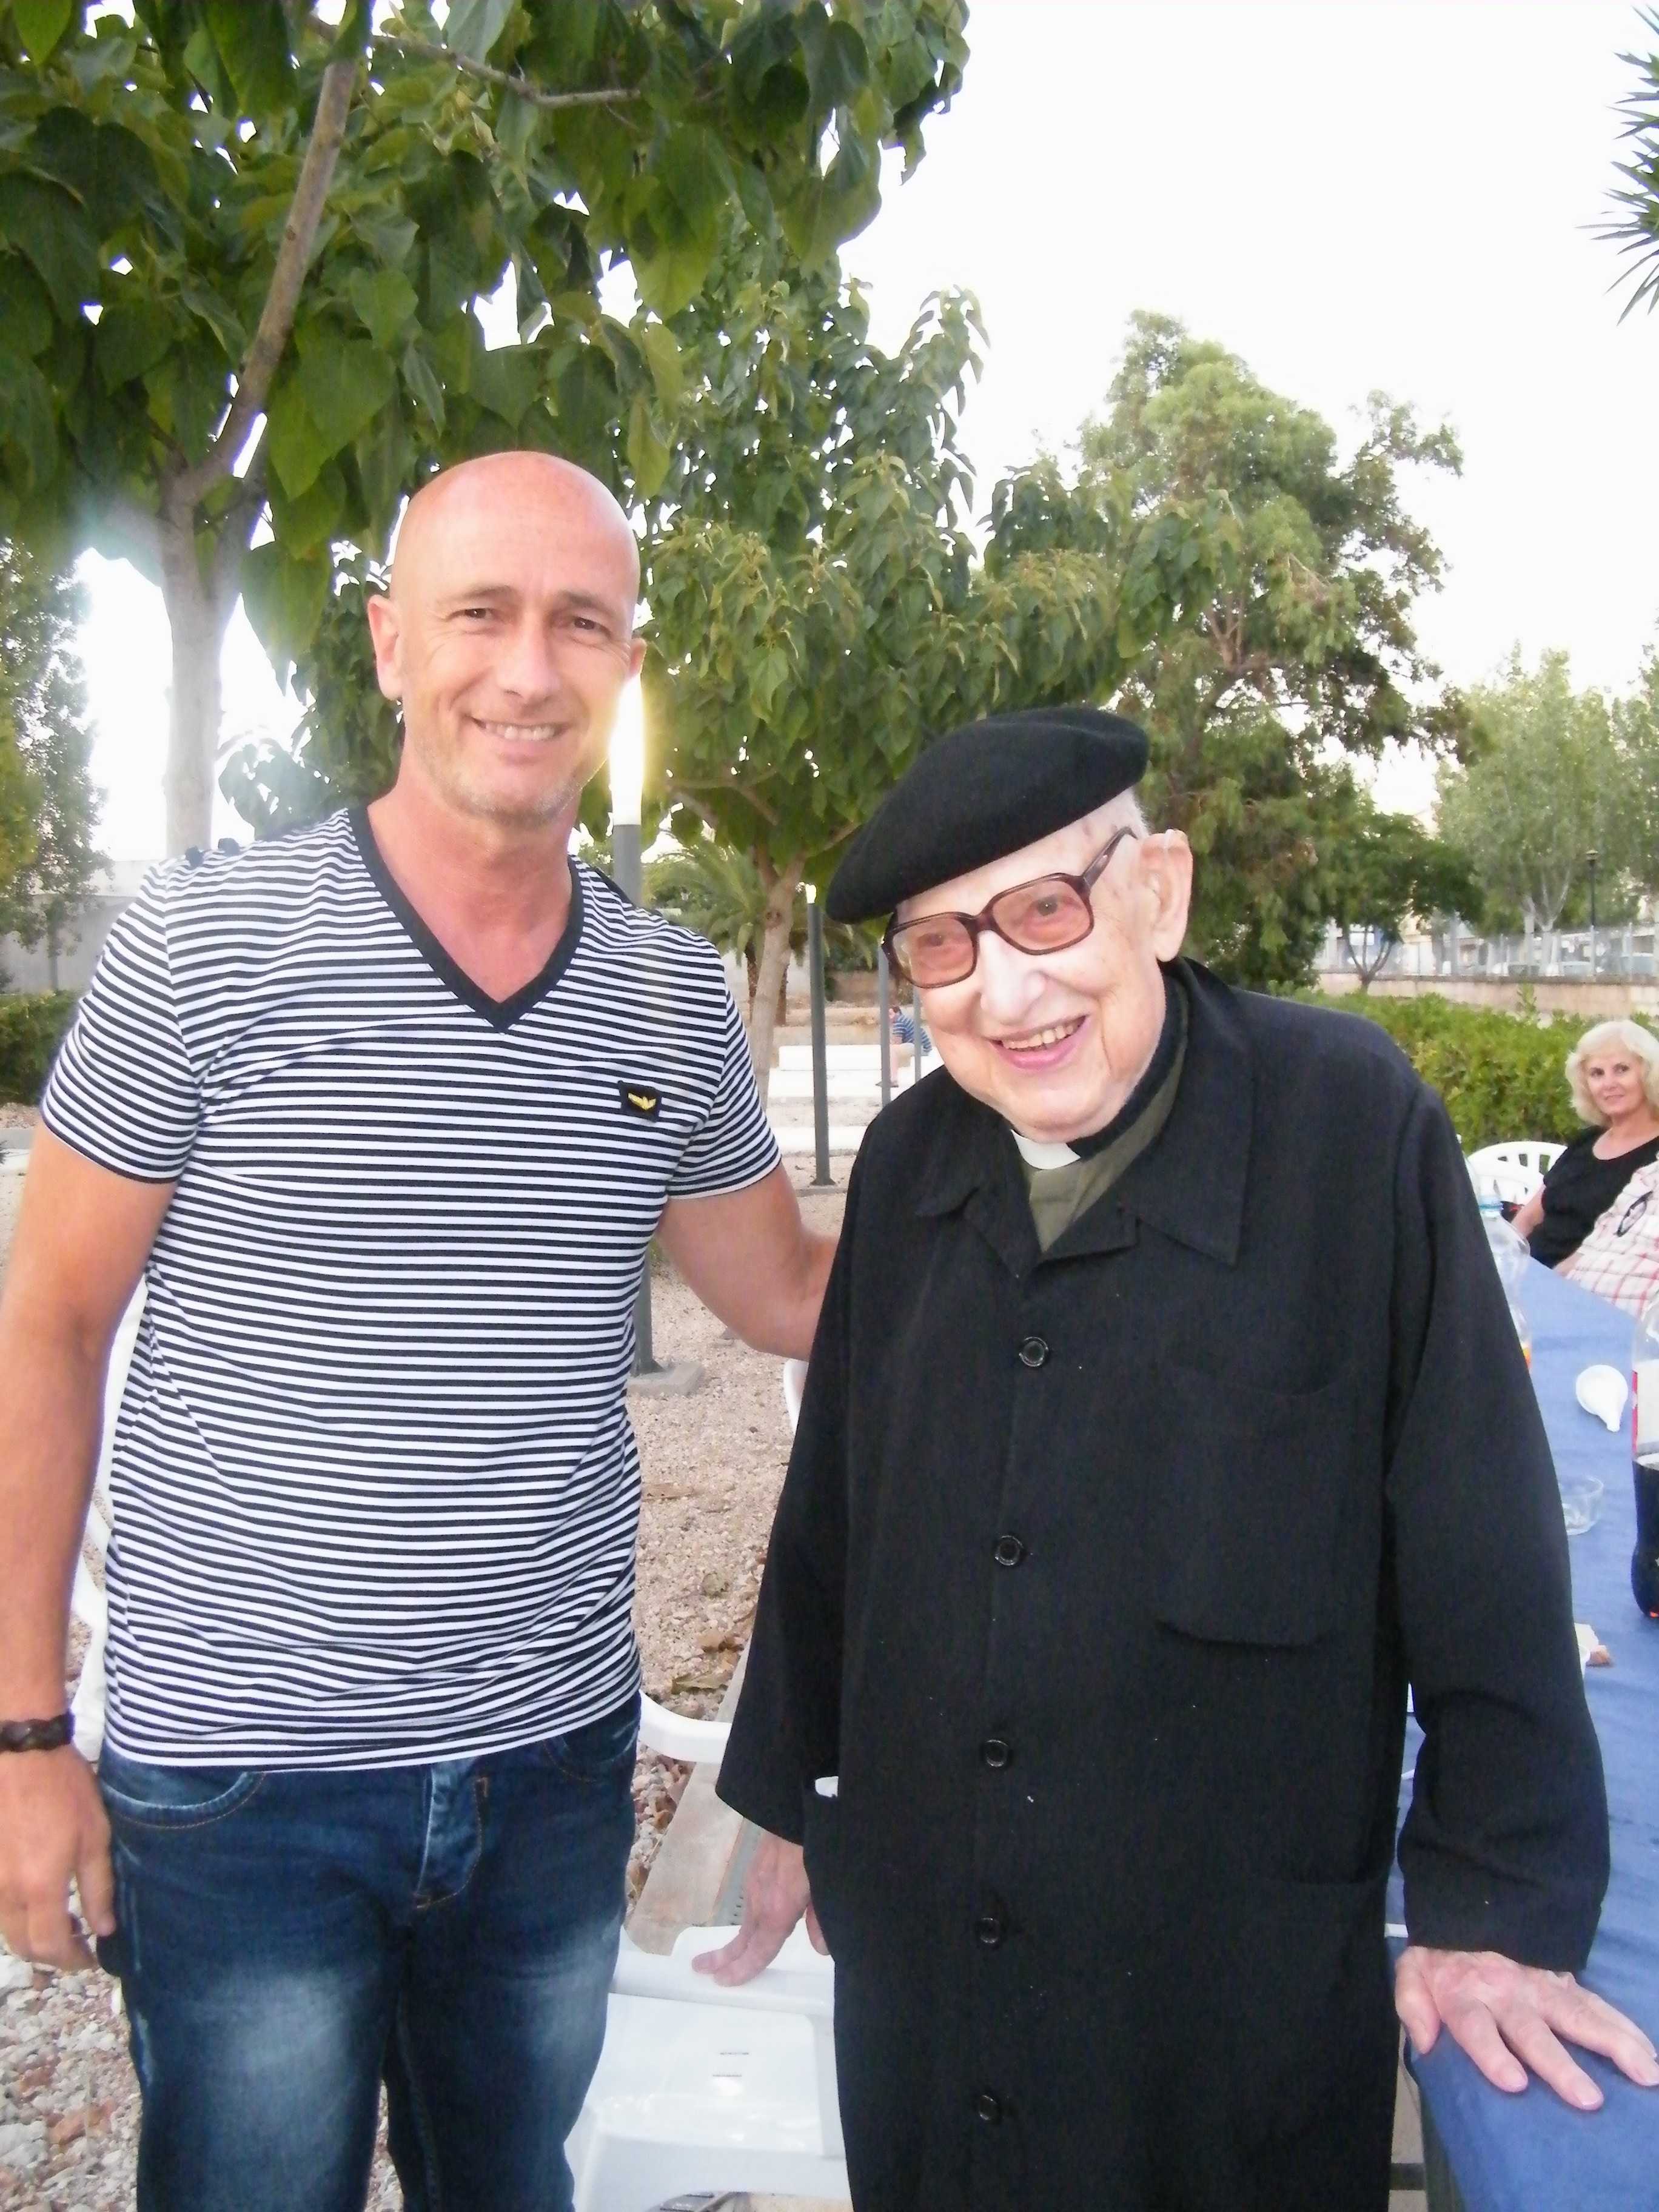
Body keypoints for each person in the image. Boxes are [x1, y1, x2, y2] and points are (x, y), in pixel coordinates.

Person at [0, 452, 836, 2212]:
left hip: (548, 1771)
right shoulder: (200, 949)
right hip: (244, 1787)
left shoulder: (669, 996)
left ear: (625, 665)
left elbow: (784, 1292)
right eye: (479, 614)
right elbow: (49, 1327)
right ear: (391, 643)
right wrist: (24, 1736)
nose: (527, 669)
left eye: (580, 624)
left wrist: (1055, 1187)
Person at [697, 706, 1659, 2212]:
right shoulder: (908, 1160)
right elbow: (834, 1511)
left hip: (1217, 2011)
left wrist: (1494, 1907)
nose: (1004, 989)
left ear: (1158, 891)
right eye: (941, 944)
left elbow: (1480, 1540)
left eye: (1043, 911)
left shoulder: (1351, 1127)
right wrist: (792, 1800)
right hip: (935, 1975)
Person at [1512, 1018, 1659, 1266]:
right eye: (1597, 1073)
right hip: (1526, 1269)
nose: (1609, 1084)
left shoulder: (1655, 1158)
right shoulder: (1588, 1140)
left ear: (1648, 1075)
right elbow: (1529, 1217)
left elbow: (1619, 1251)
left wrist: (1545, 1280)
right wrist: (1501, 1261)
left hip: (1584, 1280)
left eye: (1622, 1069)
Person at [1557, 1158, 1659, 1315]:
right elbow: (1585, 1251)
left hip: (1623, 1321)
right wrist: (1548, 1285)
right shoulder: (1648, 1175)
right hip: (1570, 1302)